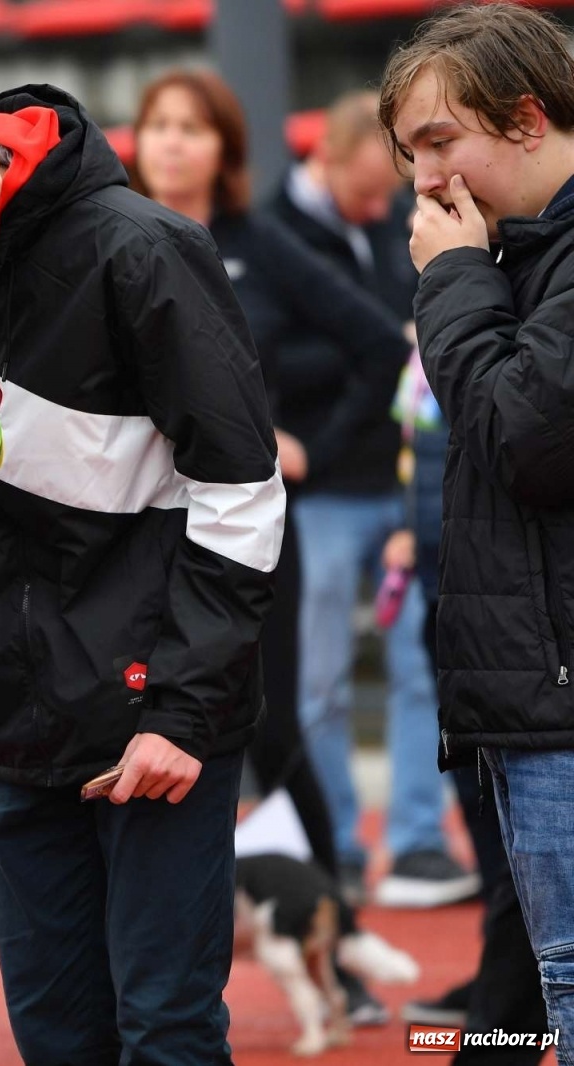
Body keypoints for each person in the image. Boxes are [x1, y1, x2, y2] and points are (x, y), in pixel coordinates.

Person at [0, 85, 283, 1064]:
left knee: (165, 1032)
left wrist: (182, 714)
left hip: (151, 717)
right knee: (56, 1037)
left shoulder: (142, 248)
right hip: (12, 717)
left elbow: (242, 495)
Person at [128, 67, 414, 1027]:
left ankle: (343, 949)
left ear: (226, 149)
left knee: (273, 729)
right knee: (134, 731)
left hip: (247, 531)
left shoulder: (262, 245)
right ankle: (149, 977)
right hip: (131, 541)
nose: (173, 142)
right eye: (158, 125)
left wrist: (304, 448)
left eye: (192, 127)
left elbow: (385, 346)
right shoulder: (105, 242)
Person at [379, 3, 574, 1057]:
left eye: (440, 141)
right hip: (531, 696)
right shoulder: (522, 255)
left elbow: (523, 441)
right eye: (410, 153)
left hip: (559, 704)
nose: (425, 180)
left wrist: (451, 280)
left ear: (528, 119)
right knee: (542, 981)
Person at [268, 89, 475, 910]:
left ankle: (419, 841)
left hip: (403, 485)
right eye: (364, 190)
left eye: (384, 192)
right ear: (326, 158)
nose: (377, 206)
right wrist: (374, 361)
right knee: (318, 677)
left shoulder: (394, 222)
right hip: (320, 490)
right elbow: (283, 356)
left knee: (424, 665)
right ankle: (342, 848)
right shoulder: (273, 233)